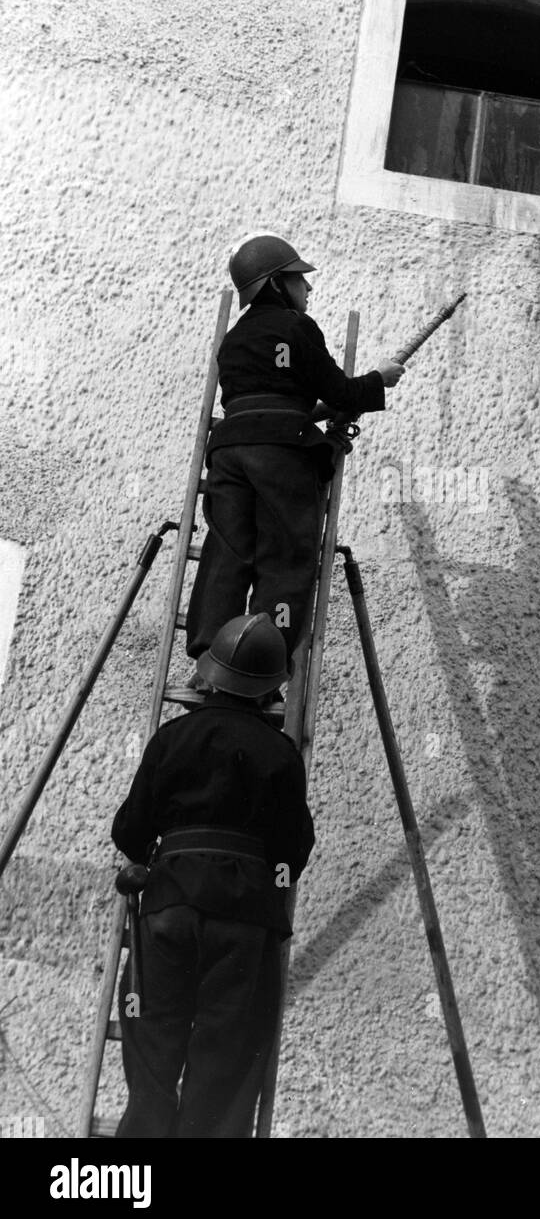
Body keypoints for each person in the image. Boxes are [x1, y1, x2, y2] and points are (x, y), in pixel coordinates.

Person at [112, 613, 314, 1138]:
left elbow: (131, 833)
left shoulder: (171, 738)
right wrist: (259, 888)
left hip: (167, 912)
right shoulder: (282, 755)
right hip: (243, 925)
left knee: (152, 1047)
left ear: (209, 676)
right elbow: (294, 851)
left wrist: (166, 860)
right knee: (227, 1060)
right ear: (269, 691)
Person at [184, 232, 405, 687]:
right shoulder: (296, 329)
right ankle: (263, 667)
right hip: (281, 458)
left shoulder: (233, 340)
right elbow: (340, 393)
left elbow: (268, 399)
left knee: (226, 553)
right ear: (276, 284)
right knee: (285, 558)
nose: (309, 290)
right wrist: (378, 380)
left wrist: (307, 409)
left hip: (229, 454)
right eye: (300, 281)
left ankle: (209, 662)